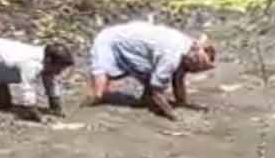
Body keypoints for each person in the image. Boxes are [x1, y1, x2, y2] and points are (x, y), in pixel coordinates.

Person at [88, 21, 217, 120]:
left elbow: (178, 79)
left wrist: (182, 104)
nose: (194, 72)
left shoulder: (188, 47)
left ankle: (145, 100)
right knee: (100, 92)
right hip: (110, 39)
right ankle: (86, 106)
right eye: (196, 68)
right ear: (193, 59)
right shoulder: (171, 57)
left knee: (154, 73)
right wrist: (173, 115)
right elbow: (157, 89)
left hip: (136, 42)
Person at [0, 38, 75, 122]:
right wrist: (32, 110)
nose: (60, 71)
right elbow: (27, 87)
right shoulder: (31, 63)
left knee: (5, 104)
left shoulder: (46, 60)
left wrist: (55, 106)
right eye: (59, 67)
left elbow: (51, 81)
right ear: (50, 61)